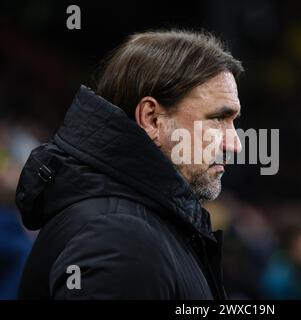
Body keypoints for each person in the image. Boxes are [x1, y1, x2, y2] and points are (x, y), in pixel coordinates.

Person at [15, 30, 244, 299]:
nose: (235, 144)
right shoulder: (121, 237)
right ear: (152, 119)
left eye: (233, 122)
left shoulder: (131, 226)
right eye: (218, 118)